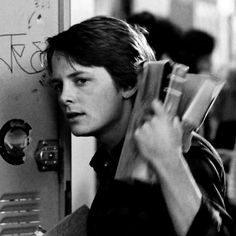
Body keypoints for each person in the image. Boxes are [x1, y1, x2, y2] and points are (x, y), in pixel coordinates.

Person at [43, 16, 234, 235]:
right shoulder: (111, 160)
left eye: (81, 81)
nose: (64, 97)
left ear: (129, 84)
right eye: (58, 85)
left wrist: (169, 161)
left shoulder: (186, 154)